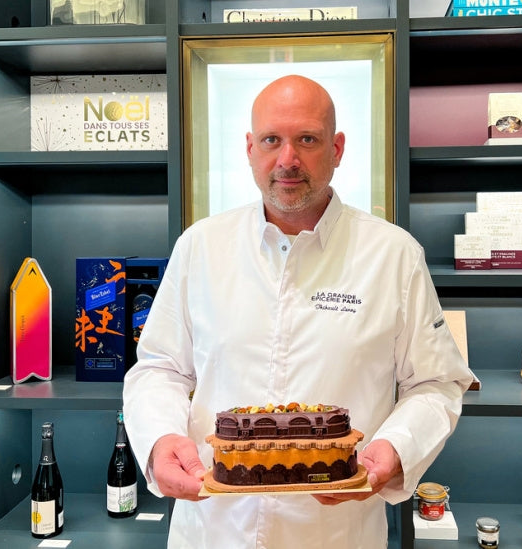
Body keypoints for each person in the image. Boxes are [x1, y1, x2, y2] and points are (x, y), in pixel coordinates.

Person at [123, 74, 474, 548]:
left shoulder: (394, 256)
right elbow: (160, 368)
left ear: (337, 148)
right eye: (272, 140)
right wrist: (160, 441)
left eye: (307, 139)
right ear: (250, 148)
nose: (287, 159)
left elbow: (436, 382)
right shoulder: (200, 247)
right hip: (213, 530)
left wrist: (395, 450)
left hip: (337, 533)